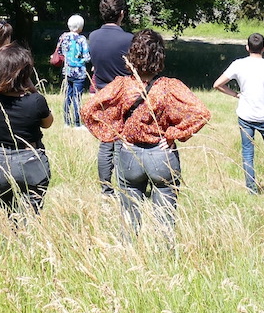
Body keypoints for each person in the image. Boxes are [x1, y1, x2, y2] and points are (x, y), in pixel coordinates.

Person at [84, 29, 211, 233]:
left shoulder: (121, 86)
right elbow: (201, 112)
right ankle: (165, 259)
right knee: (165, 222)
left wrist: (117, 133)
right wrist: (173, 135)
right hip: (162, 156)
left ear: (132, 54)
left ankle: (130, 256)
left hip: (129, 155)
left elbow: (88, 109)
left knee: (129, 220)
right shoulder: (169, 86)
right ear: (160, 56)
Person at [0, 45, 55, 217]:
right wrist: (33, 89)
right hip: (30, 159)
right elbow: (48, 123)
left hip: (0, 158)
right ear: (25, 73)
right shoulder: (35, 101)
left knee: (8, 212)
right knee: (32, 214)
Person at [213, 32, 264, 194]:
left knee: (247, 151)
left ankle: (251, 189)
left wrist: (236, 94)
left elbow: (217, 84)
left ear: (247, 47)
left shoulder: (238, 64)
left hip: (245, 115)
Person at [87, 0, 134, 197]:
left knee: (106, 143)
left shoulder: (93, 36)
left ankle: (106, 188)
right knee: (125, 141)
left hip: (102, 92)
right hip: (124, 94)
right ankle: (126, 183)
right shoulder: (128, 39)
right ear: (122, 14)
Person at [55, 14, 91, 127]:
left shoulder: (63, 37)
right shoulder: (81, 39)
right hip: (79, 72)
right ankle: (77, 123)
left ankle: (66, 121)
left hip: (67, 71)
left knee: (68, 96)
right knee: (77, 97)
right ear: (80, 27)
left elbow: (59, 52)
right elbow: (87, 57)